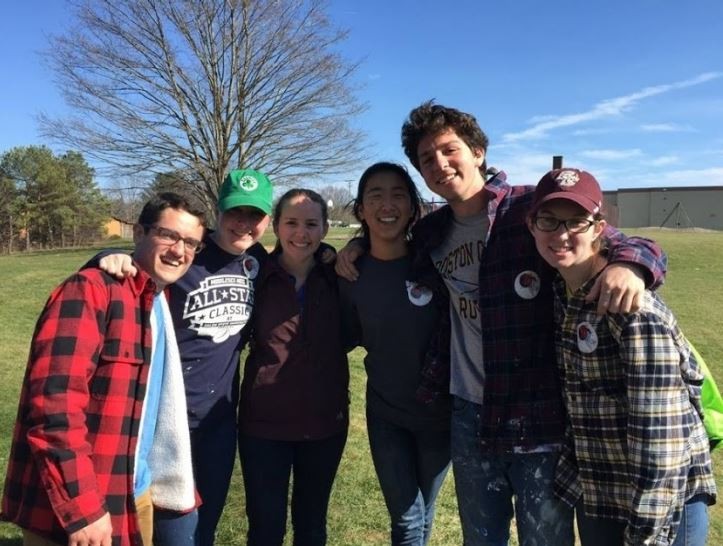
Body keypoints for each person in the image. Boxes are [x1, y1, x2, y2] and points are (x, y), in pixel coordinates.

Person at [336, 101, 667, 546]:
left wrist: (631, 266)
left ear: (478, 151)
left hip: (539, 414)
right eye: (426, 159)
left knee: (544, 539)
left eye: (449, 149)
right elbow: (388, 238)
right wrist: (353, 246)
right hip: (468, 413)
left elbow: (628, 243)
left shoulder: (530, 209)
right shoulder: (432, 234)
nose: (439, 164)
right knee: (481, 537)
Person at [1, 193, 205, 546]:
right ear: (139, 233)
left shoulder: (155, 299)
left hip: (132, 489)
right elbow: (54, 407)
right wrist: (83, 508)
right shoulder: (90, 292)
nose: (179, 250)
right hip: (76, 505)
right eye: (168, 235)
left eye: (190, 242)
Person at [526, 168, 716, 546]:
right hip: (600, 493)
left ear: (599, 228)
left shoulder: (632, 310)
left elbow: (661, 443)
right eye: (548, 220)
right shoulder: (562, 295)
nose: (561, 234)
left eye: (576, 221)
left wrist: (645, 535)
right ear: (531, 226)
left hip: (660, 509)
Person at [92, 169, 273, 545]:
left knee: (201, 526)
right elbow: (139, 263)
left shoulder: (256, 260)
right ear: (218, 212)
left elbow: (301, 256)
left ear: (266, 221)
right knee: (154, 523)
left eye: (254, 216)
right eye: (235, 212)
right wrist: (105, 256)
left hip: (218, 422)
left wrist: (333, 251)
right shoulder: (189, 251)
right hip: (160, 417)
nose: (244, 224)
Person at [338, 162, 452, 546]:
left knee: (423, 512)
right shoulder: (348, 274)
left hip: (440, 414)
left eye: (398, 194)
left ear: (413, 208)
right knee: (406, 517)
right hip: (386, 413)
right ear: (361, 210)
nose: (387, 204)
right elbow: (342, 335)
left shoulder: (437, 263)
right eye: (375, 195)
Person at [238, 188, 349, 546]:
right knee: (265, 528)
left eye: (312, 224)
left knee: (312, 526)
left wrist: (356, 248)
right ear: (275, 225)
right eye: (292, 223)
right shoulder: (253, 274)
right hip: (264, 426)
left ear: (325, 228)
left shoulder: (340, 276)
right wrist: (111, 253)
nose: (301, 233)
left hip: (324, 425)